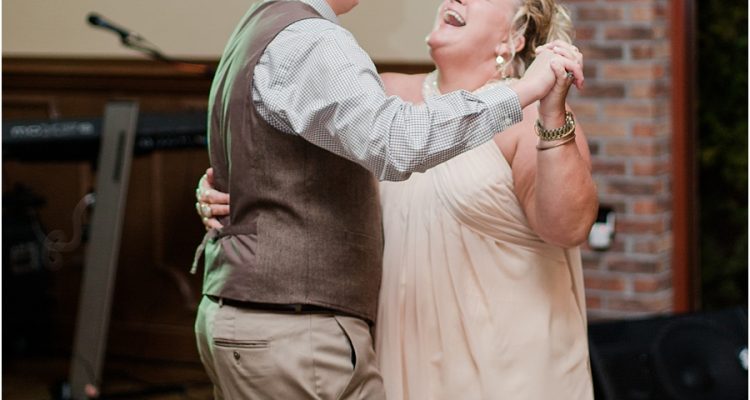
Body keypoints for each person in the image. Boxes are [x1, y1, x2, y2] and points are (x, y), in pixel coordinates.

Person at [192, 0, 584, 398]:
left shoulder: (534, 116)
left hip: (501, 351)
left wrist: (543, 108)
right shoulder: (385, 93)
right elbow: (295, 154)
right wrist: (226, 190)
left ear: (514, 37)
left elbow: (568, 227)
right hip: (397, 342)